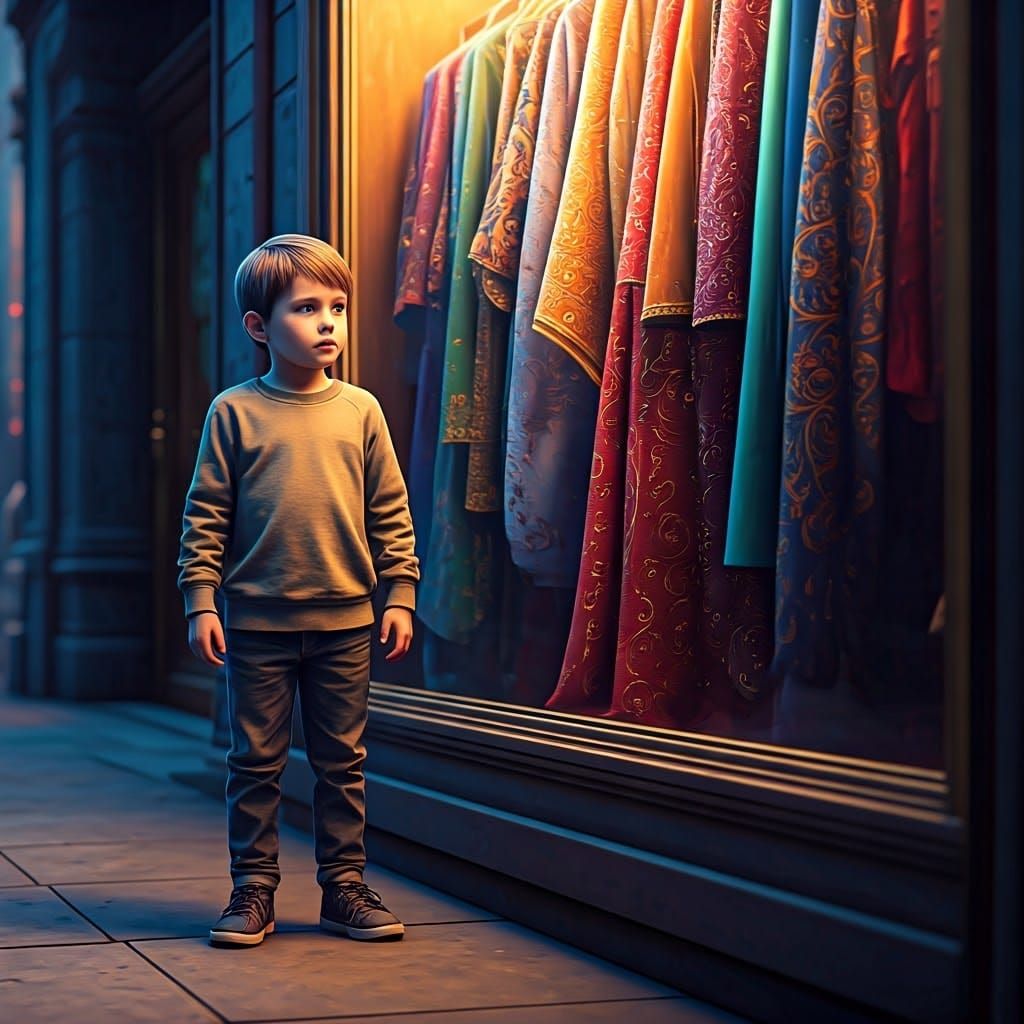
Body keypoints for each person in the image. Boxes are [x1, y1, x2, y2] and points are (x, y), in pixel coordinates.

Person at [177, 233, 419, 948]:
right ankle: (253, 888)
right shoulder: (234, 413)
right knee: (255, 761)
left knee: (343, 763)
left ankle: (344, 887)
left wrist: (399, 592)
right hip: (256, 625)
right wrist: (202, 600)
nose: (327, 323)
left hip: (346, 623)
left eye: (337, 308)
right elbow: (206, 513)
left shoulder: (361, 411)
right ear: (258, 326)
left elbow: (391, 510)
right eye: (306, 307)